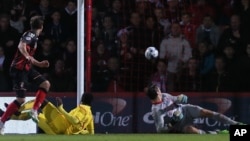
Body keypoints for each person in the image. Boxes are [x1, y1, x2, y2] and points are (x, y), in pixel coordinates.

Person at [0, 16, 50, 135]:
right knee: (21, 99)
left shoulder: (33, 36)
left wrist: (39, 64)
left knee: (45, 84)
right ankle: (1, 122)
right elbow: (21, 46)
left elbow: (29, 56)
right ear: (41, 27)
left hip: (27, 68)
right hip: (18, 69)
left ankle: (34, 110)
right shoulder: (30, 35)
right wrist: (28, 57)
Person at [145, 83, 243, 134]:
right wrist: (173, 123)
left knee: (206, 112)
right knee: (191, 131)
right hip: (179, 124)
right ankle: (217, 133)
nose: (160, 91)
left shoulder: (165, 95)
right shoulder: (156, 110)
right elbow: (160, 130)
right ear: (157, 93)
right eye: (159, 90)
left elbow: (176, 99)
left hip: (185, 110)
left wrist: (181, 98)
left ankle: (236, 125)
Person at [0, 93, 94, 135]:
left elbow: (75, 120)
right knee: (32, 114)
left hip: (61, 124)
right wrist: (79, 132)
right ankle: (8, 115)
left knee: (41, 101)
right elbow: (91, 133)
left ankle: (15, 110)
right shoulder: (90, 116)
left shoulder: (83, 109)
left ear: (82, 99)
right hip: (58, 133)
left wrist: (61, 109)